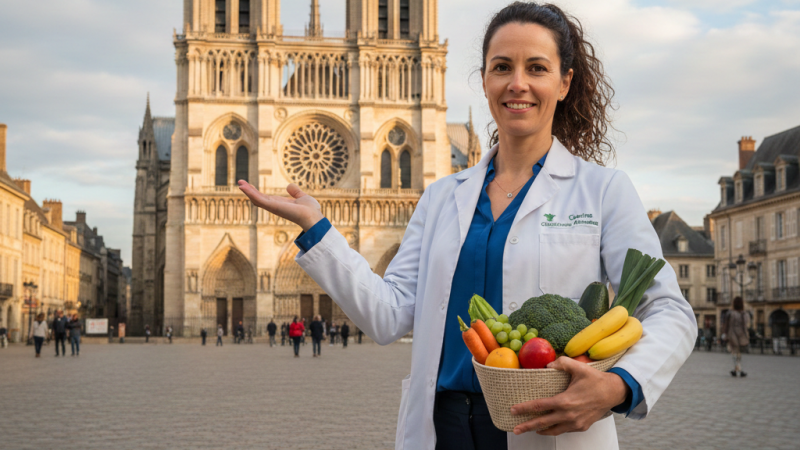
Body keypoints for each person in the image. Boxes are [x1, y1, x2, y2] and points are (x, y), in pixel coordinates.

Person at [239, 3, 698, 448]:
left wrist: (620, 385)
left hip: (549, 428)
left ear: (564, 82)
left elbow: (669, 311)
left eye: (536, 67)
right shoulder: (442, 197)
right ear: (484, 80)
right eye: (502, 67)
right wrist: (317, 229)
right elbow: (389, 314)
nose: (517, 83)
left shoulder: (603, 190)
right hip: (444, 428)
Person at [722, 297, 750, 377]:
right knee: (738, 353)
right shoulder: (744, 313)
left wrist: (724, 333)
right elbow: (745, 325)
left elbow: (726, 325)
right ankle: (739, 369)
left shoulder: (730, 313)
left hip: (732, 333)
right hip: (741, 334)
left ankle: (737, 369)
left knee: (734, 352)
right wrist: (746, 335)